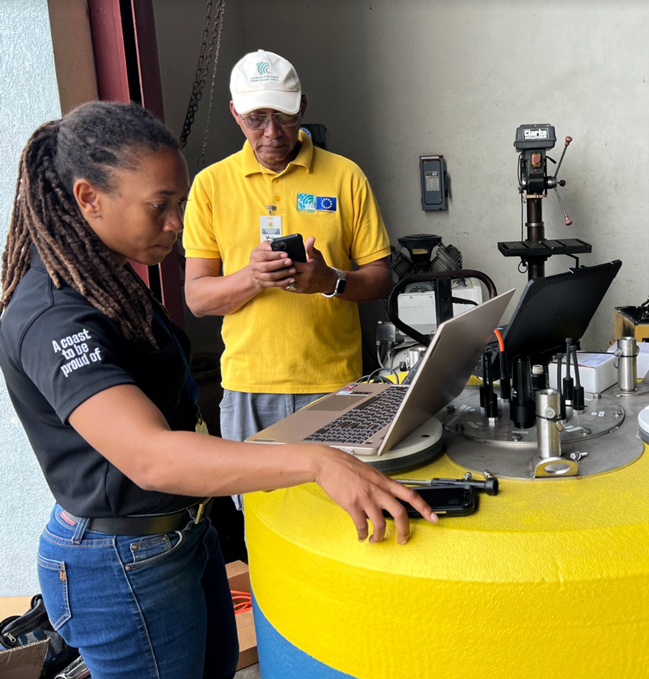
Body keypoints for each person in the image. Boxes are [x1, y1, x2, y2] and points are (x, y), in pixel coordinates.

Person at [0, 101, 435, 679]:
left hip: (179, 534)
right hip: (120, 559)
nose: (176, 224)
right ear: (88, 198)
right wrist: (318, 462)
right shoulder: (54, 316)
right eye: (160, 206)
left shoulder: (105, 281)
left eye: (178, 204)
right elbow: (151, 458)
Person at [183, 49, 394, 452]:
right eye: (256, 119)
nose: (272, 133)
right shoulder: (211, 186)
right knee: (261, 511)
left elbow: (381, 279)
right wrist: (252, 277)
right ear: (234, 113)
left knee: (338, 512)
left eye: (284, 116)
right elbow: (197, 298)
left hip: (335, 385)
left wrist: (331, 281)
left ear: (302, 107)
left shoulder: (346, 176)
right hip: (248, 387)